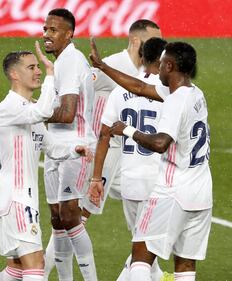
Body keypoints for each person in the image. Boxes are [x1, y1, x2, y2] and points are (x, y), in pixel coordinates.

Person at [89, 39, 211, 281]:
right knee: (185, 265)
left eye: (163, 61)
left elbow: (160, 143)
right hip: (201, 193)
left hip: (172, 190)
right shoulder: (194, 93)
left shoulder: (176, 101)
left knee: (141, 256)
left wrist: (127, 130)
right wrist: (103, 67)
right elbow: (139, 87)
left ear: (168, 66)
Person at [0, 43, 93, 281]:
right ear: (14, 74)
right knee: (36, 262)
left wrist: (75, 150)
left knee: (17, 268)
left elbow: (52, 147)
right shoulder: (9, 107)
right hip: (15, 197)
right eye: (31, 67)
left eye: (38, 67)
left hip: (21, 196)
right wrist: (50, 76)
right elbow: (44, 111)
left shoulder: (29, 110)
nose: (37, 70)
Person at [88, 37, 171, 281]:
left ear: (142, 58)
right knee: (143, 255)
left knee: (142, 248)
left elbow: (104, 133)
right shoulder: (169, 92)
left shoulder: (119, 91)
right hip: (160, 183)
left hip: (131, 182)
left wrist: (96, 178)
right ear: (166, 61)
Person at [82, 19, 162, 217]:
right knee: (82, 212)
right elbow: (80, 89)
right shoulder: (112, 65)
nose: (158, 47)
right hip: (105, 149)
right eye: (153, 40)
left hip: (128, 154)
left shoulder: (149, 73)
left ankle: (144, 246)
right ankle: (55, 249)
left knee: (149, 206)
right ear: (135, 40)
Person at [42, 8, 97, 281]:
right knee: (56, 218)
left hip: (75, 146)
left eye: (53, 30)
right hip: (55, 146)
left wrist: (34, 112)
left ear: (69, 33)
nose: (46, 35)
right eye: (45, 29)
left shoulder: (72, 60)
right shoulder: (61, 61)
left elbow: (67, 113)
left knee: (70, 215)